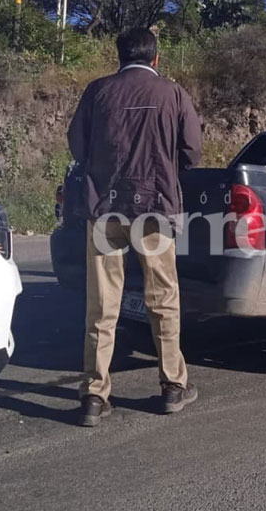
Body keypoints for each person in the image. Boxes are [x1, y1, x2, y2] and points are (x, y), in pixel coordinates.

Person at [67, 28, 203, 427]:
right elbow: (192, 152)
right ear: (156, 58)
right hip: (155, 210)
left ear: (119, 56)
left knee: (101, 305)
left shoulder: (97, 91)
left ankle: (94, 395)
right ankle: (173, 387)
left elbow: (77, 144)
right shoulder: (173, 94)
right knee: (162, 300)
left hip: (104, 209)